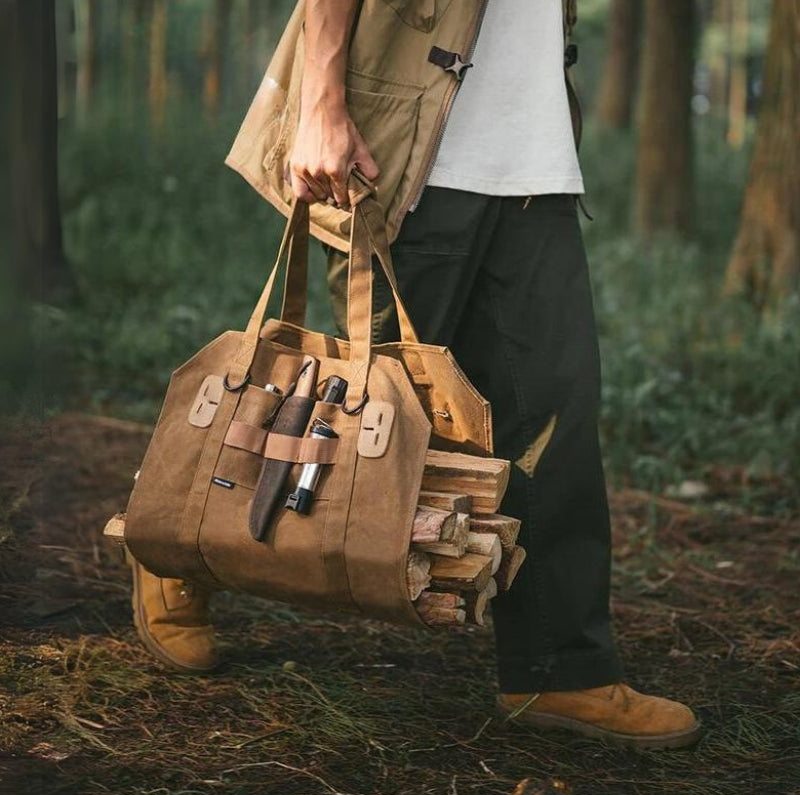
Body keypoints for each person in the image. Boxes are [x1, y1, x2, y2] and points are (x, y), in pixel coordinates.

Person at [130, 0, 701, 749]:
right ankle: (179, 547)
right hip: (405, 150)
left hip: (535, 158)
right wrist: (321, 103)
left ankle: (560, 670)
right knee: (353, 421)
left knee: (554, 420)